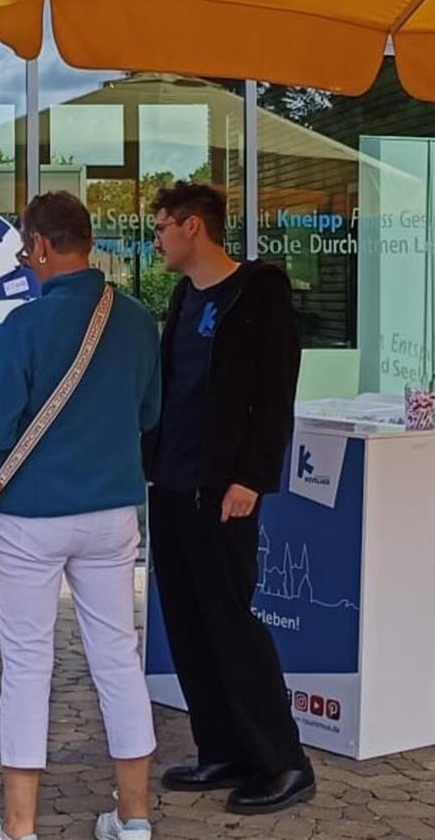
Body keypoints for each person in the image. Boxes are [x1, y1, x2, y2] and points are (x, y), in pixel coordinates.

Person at [0, 192, 161, 840]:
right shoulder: (135, 320)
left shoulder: (24, 324)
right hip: (112, 509)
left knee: (27, 663)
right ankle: (134, 817)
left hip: (33, 513)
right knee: (117, 656)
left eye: (26, 249)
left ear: (42, 247)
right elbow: (148, 414)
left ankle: (20, 830)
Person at [143, 182, 314, 814]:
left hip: (224, 489)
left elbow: (275, 393)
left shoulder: (259, 291)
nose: (154, 238)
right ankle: (221, 748)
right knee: (187, 622)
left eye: (161, 226)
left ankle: (281, 761)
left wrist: (251, 478)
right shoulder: (184, 295)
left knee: (232, 623)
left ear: (193, 227)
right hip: (172, 482)